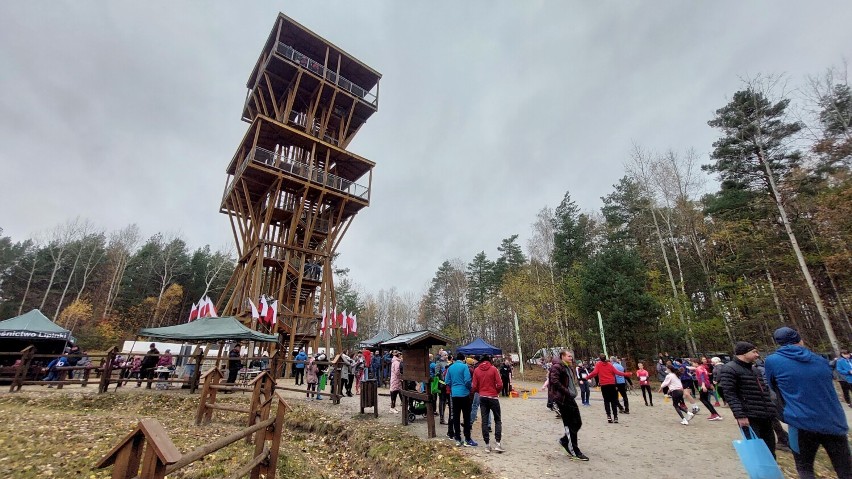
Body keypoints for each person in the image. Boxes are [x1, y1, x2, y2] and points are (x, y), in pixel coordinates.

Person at [765, 327, 852, 478]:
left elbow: (773, 385)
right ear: (800, 340)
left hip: (800, 421)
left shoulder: (772, 361)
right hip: (833, 420)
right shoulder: (820, 359)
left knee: (804, 468)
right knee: (845, 469)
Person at [719, 341, 779, 457]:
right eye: (754, 352)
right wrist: (740, 415)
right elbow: (730, 393)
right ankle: (760, 473)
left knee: (770, 450)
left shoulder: (754, 369)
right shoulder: (729, 369)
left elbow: (763, 390)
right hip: (749, 415)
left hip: (765, 414)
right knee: (756, 450)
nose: (757, 355)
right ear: (743, 353)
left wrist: (771, 408)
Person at [550, 350, 589, 461]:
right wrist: (566, 391)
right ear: (562, 356)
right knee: (570, 424)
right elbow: (554, 381)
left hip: (570, 398)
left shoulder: (568, 367)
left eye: (571, 356)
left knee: (577, 422)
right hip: (562, 399)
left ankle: (564, 440)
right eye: (569, 356)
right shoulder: (557, 367)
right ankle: (574, 451)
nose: (571, 358)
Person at [586, 354, 632, 424]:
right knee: (614, 400)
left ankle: (609, 417)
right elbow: (617, 372)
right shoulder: (610, 365)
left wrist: (587, 377)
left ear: (600, 359)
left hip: (604, 385)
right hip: (612, 384)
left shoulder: (598, 365)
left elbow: (594, 373)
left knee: (606, 401)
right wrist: (626, 374)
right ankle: (615, 417)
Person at [472, 354, 504, 453]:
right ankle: (498, 443)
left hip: (482, 397)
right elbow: (500, 384)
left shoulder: (476, 370)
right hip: (493, 397)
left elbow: (474, 386)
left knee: (484, 421)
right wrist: (496, 392)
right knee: (497, 419)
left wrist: (480, 391)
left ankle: (487, 445)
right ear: (489, 360)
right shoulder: (494, 369)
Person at [446, 352, 476, 447]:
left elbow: (447, 381)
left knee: (456, 416)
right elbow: (467, 380)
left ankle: (458, 439)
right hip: (464, 394)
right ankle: (467, 438)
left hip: (454, 394)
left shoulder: (450, 368)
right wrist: (468, 388)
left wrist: (454, 387)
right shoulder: (464, 367)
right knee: (466, 416)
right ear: (463, 359)